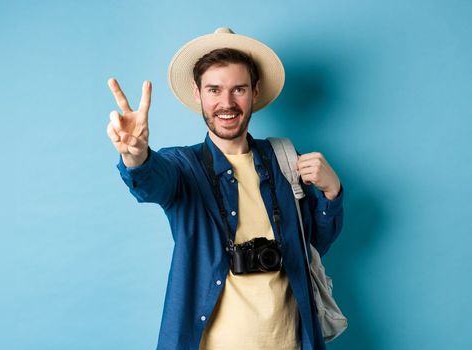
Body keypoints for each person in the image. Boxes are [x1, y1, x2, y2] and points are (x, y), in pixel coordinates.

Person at [105, 28, 344, 350]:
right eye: (214, 89)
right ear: (197, 93)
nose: (226, 103)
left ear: (255, 92)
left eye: (239, 89)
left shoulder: (284, 160)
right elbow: (150, 183)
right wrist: (135, 157)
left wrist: (331, 194)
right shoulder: (183, 166)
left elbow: (312, 246)